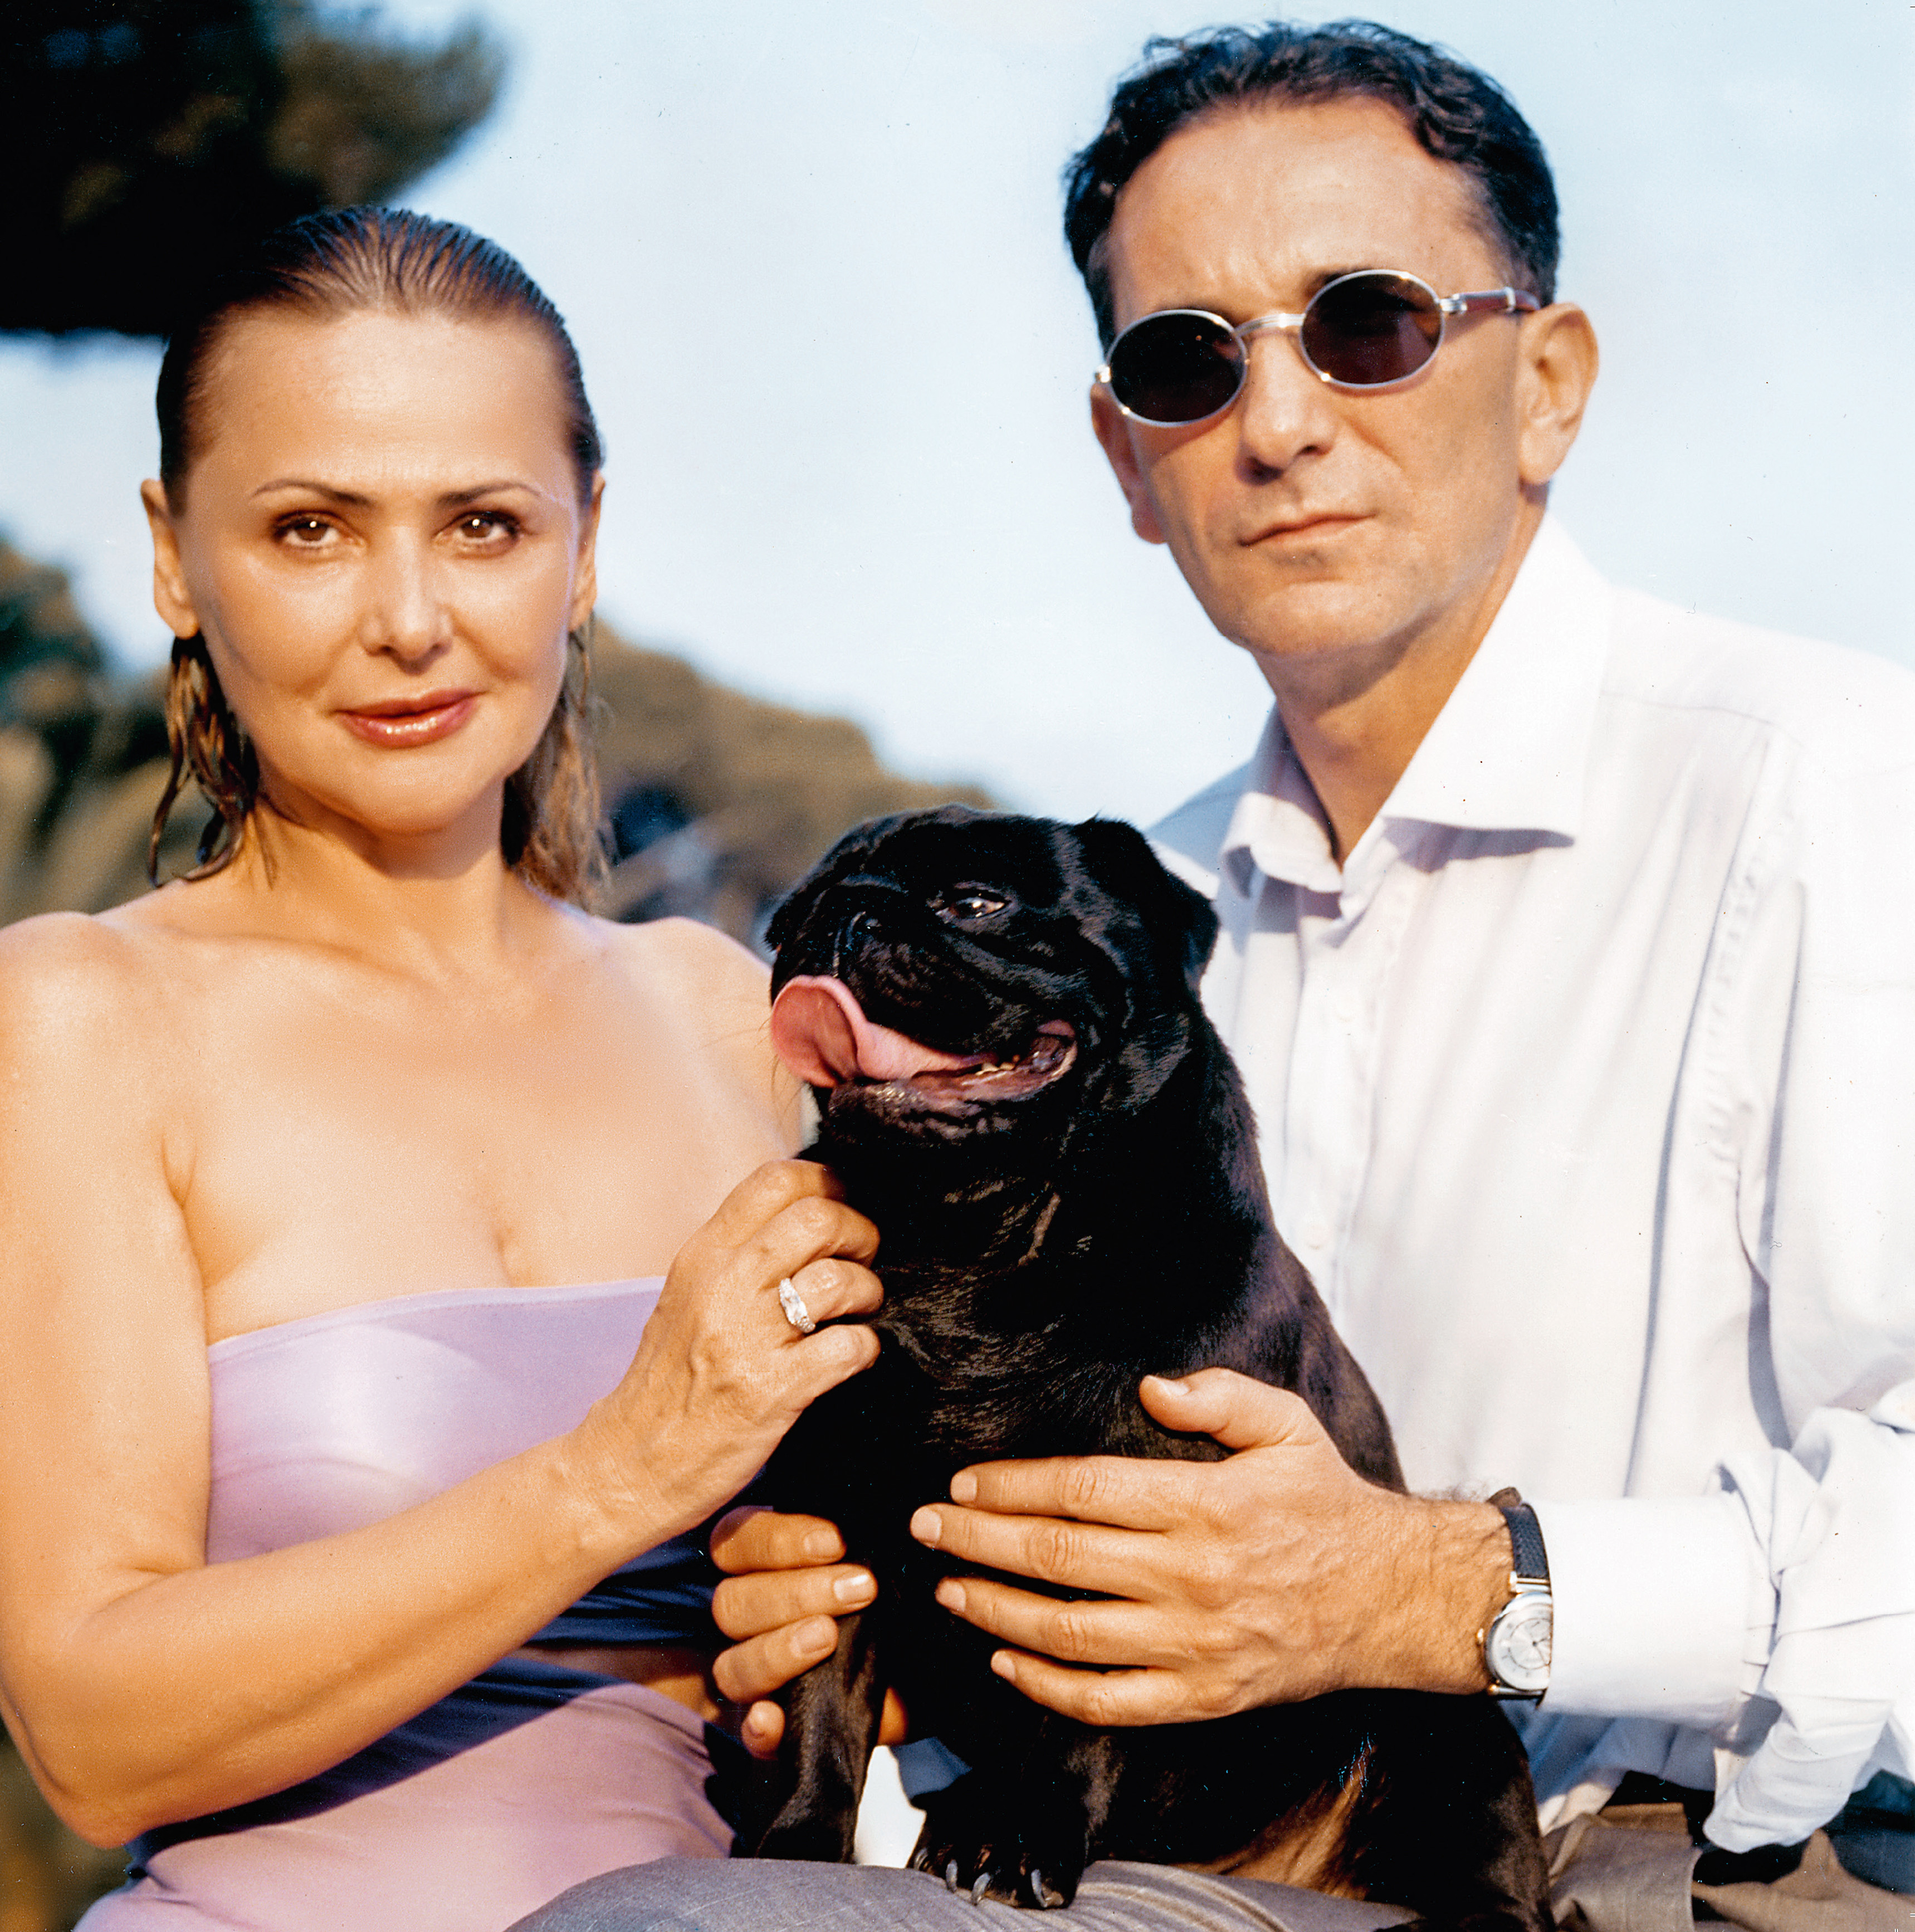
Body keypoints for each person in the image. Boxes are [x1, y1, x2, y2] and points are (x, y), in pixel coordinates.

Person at [514, 21, 1915, 1932]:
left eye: (1368, 325)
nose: (1279, 423)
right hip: (1163, 1858)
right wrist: (861, 1594)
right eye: (1189, 360)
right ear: (1126, 454)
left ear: (1550, 385)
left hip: (1735, 1863)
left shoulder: (1835, 795)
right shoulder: (1108, 951)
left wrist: (1443, 1591)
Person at [0, 206, 888, 1931]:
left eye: (483, 525)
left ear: (585, 543)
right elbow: (90, 1732)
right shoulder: (81, 1016)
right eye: (311, 529)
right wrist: (614, 1474)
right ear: (175, 558)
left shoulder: (729, 1017)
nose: (409, 620)